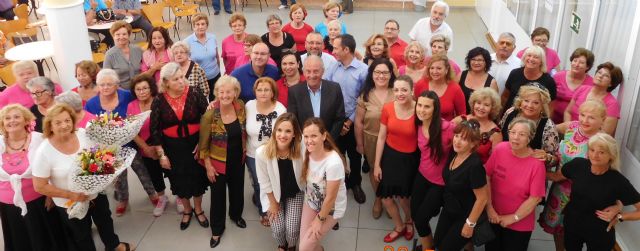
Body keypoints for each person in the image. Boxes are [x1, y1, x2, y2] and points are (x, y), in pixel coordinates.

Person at [32, 104, 133, 251]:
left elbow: (101, 154)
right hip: (69, 201)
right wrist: (71, 195)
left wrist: (110, 172)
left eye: (67, 120)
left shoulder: (83, 134)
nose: (64, 125)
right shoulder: (44, 151)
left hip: (96, 192)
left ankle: (113, 245)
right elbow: (39, 186)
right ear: (50, 126)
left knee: (105, 220)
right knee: (81, 233)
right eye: (58, 122)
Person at [85, 69, 158, 217]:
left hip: (131, 142)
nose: (105, 87)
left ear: (117, 85)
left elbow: (140, 106)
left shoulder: (127, 96)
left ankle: (152, 194)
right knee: (119, 176)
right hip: (108, 148)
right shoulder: (92, 104)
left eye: (109, 84)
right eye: (101, 84)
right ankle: (123, 200)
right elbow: (89, 126)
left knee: (142, 170)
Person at [539, 100, 607, 251]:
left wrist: (540, 173)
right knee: (558, 229)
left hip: (581, 194)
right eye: (582, 114)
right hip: (560, 189)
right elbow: (547, 132)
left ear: (603, 119)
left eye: (591, 117)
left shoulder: (602, 141)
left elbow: (604, 173)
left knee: (573, 233)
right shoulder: (572, 127)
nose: (584, 120)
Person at [150, 63, 209, 228]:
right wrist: (162, 155)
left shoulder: (195, 93)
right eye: (176, 79)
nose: (181, 81)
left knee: (198, 177)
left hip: (195, 144)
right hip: (172, 147)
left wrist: (202, 143)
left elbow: (207, 119)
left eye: (182, 77)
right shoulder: (158, 100)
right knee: (178, 180)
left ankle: (198, 209)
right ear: (166, 82)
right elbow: (155, 130)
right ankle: (188, 210)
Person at [0, 104, 67, 251]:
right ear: (3, 123)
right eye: (7, 118)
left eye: (17, 117)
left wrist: (51, 194)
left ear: (26, 120)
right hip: (8, 205)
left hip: (39, 201)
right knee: (21, 241)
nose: (12, 121)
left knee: (46, 240)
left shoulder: (39, 140)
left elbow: (52, 167)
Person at [558, 133, 640, 251]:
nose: (595, 155)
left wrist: (619, 216)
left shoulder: (618, 181)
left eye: (601, 152)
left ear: (611, 156)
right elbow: (557, 176)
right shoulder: (577, 165)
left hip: (599, 232)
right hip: (572, 224)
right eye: (592, 150)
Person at [198, 75, 247, 248]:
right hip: (217, 163)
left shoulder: (240, 106)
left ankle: (236, 215)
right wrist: (209, 167)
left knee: (237, 190)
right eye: (221, 91)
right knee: (218, 197)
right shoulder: (210, 115)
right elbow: (203, 147)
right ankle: (217, 230)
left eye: (229, 91)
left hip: (237, 159)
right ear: (216, 93)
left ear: (235, 93)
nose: (225, 95)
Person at [485, 118, 546, 251]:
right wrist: (489, 208)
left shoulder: (537, 164)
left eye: (522, 134)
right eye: (513, 132)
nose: (516, 137)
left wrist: (513, 218)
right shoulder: (500, 149)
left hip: (519, 223)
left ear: (530, 138)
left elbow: (535, 198)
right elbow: (487, 176)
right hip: (494, 217)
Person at [374, 76, 418, 243]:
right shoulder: (388, 108)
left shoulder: (419, 109)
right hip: (391, 156)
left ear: (412, 91)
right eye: (397, 90)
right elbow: (381, 137)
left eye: (404, 90)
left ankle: (409, 221)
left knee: (405, 198)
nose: (400, 93)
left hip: (410, 159)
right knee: (386, 197)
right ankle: (399, 226)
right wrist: (377, 164)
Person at [433, 119, 489, 251]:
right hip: (449, 209)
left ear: (473, 143)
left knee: (446, 248)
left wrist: (470, 224)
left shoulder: (475, 165)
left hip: (465, 215)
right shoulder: (454, 153)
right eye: (457, 136)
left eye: (463, 139)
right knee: (438, 243)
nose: (457, 141)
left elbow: (482, 198)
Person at [326, 34, 368, 204]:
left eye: (336, 48)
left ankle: (355, 183)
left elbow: (363, 98)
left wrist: (349, 121)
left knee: (355, 155)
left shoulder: (363, 71)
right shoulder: (333, 68)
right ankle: (341, 182)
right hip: (335, 121)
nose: (333, 51)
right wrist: (338, 121)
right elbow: (327, 91)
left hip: (354, 120)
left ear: (346, 49)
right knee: (337, 154)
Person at [411, 90, 454, 250]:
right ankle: (428, 246)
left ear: (435, 109)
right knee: (415, 215)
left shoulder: (447, 128)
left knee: (421, 219)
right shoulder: (419, 124)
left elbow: (467, 142)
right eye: (419, 105)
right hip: (422, 176)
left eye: (427, 107)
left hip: (440, 183)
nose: (421, 110)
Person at [256, 113, 305, 251]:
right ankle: (282, 245)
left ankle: (291, 246)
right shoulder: (262, 153)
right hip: (273, 194)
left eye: (288, 131)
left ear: (295, 134)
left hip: (295, 192)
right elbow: (264, 182)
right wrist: (273, 204)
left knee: (292, 227)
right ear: (274, 131)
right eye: (279, 130)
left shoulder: (302, 148)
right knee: (278, 228)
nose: (282, 135)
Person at [298, 117, 348, 251]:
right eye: (306, 136)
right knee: (307, 244)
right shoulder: (306, 150)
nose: (309, 141)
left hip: (331, 209)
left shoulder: (333, 163)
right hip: (311, 202)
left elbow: (331, 198)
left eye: (314, 136)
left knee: (304, 248)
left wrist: (319, 220)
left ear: (324, 136)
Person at [355, 58, 395, 217]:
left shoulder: (396, 92)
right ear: (371, 74)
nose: (381, 76)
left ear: (391, 74)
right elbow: (358, 122)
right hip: (371, 139)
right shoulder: (366, 95)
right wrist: (360, 144)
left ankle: (388, 199)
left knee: (391, 171)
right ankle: (378, 198)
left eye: (385, 72)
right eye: (377, 72)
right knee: (375, 170)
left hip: (393, 141)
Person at [245, 77, 287, 226]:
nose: (263, 93)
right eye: (259, 89)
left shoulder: (280, 109)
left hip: (274, 153)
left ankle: (277, 205)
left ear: (272, 92)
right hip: (253, 153)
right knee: (259, 183)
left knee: (275, 181)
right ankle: (264, 211)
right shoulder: (249, 106)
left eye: (266, 90)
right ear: (255, 92)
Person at [128, 74, 171, 217]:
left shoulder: (159, 101)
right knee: (154, 174)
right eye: (138, 89)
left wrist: (159, 147)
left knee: (171, 171)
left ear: (151, 88)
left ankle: (179, 197)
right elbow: (132, 131)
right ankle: (162, 198)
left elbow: (166, 125)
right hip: (145, 146)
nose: (142, 92)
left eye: (145, 88)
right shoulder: (131, 106)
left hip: (164, 144)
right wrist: (146, 148)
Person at [288, 55, 345, 143]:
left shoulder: (335, 88)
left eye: (316, 71)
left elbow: (339, 118)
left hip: (329, 142)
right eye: (308, 71)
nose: (312, 75)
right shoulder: (295, 91)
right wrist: (305, 141)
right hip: (304, 143)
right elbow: (293, 120)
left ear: (323, 71)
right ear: (303, 72)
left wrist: (328, 141)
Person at [500, 85, 559, 169]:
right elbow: (500, 134)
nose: (530, 105)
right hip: (504, 162)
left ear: (542, 105)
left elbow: (555, 160)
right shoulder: (510, 112)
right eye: (526, 101)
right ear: (520, 102)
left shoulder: (548, 126)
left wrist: (547, 158)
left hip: (528, 170)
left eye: (536, 102)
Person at [564, 62, 622, 136]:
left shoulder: (612, 104)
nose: (600, 76)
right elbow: (568, 112)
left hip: (591, 142)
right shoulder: (582, 89)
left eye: (606, 76)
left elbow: (605, 133)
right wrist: (569, 131)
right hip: (569, 134)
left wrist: (580, 135)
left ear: (611, 83)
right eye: (599, 72)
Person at [451, 87, 502, 163]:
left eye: (486, 105)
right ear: (473, 104)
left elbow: (494, 161)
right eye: (478, 103)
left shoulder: (495, 133)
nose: (481, 107)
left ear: (492, 108)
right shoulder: (460, 120)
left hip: (477, 171)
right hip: (453, 164)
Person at [502, 45, 557, 111]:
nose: (531, 59)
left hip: (533, 119)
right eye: (529, 55)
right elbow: (505, 96)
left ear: (541, 62)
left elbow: (550, 106)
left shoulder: (548, 81)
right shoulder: (514, 73)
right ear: (524, 58)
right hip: (510, 116)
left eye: (536, 57)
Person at [413, 54, 466, 121]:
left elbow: (462, 115)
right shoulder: (420, 84)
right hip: (422, 128)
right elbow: (414, 106)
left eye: (439, 68)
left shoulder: (455, 89)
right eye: (432, 68)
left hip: (446, 129)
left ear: (446, 69)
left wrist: (452, 124)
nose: (434, 72)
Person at [550, 48, 594, 123]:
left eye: (581, 63)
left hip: (575, 123)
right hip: (552, 119)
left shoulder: (591, 83)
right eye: (575, 60)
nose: (576, 64)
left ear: (587, 67)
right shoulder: (558, 76)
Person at [186, 13, 222, 101]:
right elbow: (186, 63)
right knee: (201, 102)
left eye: (203, 24)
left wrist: (218, 71)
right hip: (198, 79)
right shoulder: (187, 42)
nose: (200, 27)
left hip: (215, 76)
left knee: (215, 100)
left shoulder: (212, 37)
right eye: (197, 24)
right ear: (193, 26)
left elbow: (217, 56)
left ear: (207, 25)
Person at [103, 21, 143, 90]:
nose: (121, 37)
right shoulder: (109, 55)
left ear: (129, 35)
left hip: (141, 89)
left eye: (124, 34)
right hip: (121, 91)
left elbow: (145, 69)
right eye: (117, 35)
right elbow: (107, 77)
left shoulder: (138, 49)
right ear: (113, 36)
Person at [459, 47, 498, 112]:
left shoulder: (492, 82)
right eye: (473, 59)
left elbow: (494, 106)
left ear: (486, 62)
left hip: (479, 118)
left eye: (480, 60)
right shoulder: (461, 75)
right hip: (459, 116)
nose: (476, 63)